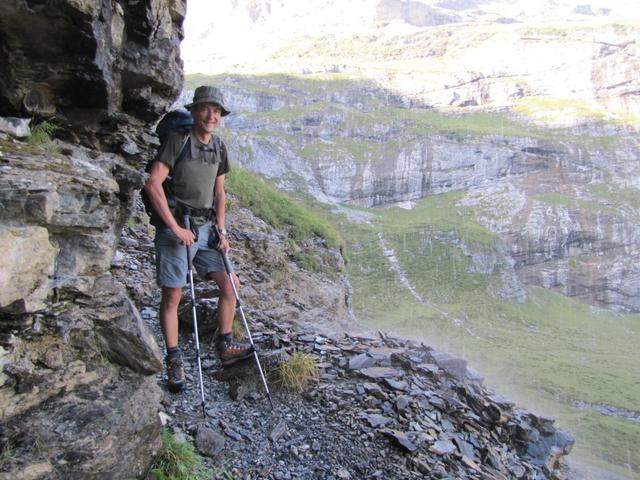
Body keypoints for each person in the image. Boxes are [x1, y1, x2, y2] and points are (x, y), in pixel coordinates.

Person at [145, 85, 253, 393]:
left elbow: (219, 192)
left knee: (231, 285)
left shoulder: (218, 147)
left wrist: (221, 228)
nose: (211, 115)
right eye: (205, 108)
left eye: (216, 111)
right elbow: (153, 183)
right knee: (173, 295)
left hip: (206, 230)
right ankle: (174, 359)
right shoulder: (177, 141)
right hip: (177, 228)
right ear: (193, 111)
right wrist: (175, 228)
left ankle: (224, 345)